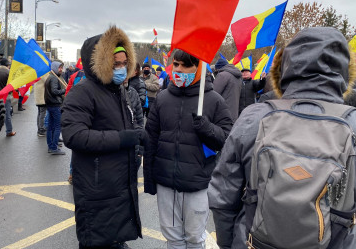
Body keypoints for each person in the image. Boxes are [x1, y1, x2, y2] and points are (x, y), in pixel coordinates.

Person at [208, 27, 356, 249]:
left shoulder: (254, 116)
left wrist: (229, 243)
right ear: (345, 71)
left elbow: (223, 196)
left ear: (284, 68)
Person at [61, 26, 144, 249]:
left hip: (118, 187)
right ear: (98, 63)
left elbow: (128, 126)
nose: (121, 68)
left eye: (124, 63)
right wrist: (123, 138)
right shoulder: (83, 92)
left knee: (116, 240)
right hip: (97, 191)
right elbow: (74, 135)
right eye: (115, 63)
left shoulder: (119, 91)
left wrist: (139, 139)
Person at [144, 49, 233, 249]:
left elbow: (227, 140)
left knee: (194, 239)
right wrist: (150, 179)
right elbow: (150, 139)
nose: (179, 69)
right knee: (173, 239)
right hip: (167, 184)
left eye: (186, 65)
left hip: (197, 184)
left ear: (199, 68)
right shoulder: (162, 98)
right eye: (176, 64)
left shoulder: (214, 100)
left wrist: (207, 128)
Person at [45, 61, 66, 155]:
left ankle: (50, 146)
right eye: (59, 68)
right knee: (58, 127)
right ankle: (54, 148)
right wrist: (64, 90)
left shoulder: (50, 77)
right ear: (54, 68)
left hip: (50, 104)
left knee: (50, 127)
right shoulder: (54, 78)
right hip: (55, 104)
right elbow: (54, 91)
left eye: (61, 68)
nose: (61, 69)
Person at [213, 57, 242, 121]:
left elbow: (214, 93)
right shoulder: (238, 77)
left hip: (223, 112)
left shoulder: (222, 75)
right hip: (234, 112)